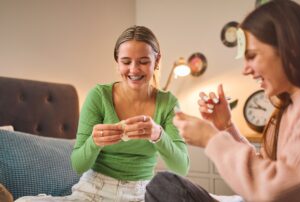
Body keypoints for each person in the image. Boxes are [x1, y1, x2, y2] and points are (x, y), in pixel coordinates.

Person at [145, 1, 300, 202]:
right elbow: (265, 170)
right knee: (163, 185)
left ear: (290, 47)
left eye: (252, 56)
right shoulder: (289, 107)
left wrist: (211, 139)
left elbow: (276, 191)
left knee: (164, 188)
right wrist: (226, 126)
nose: (246, 69)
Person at [16, 25, 189, 202]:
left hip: (141, 192)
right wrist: (94, 142)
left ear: (157, 60)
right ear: (117, 61)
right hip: (94, 189)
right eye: (126, 61)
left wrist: (158, 135)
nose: (134, 69)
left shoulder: (168, 103)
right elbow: (78, 165)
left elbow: (181, 167)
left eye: (143, 61)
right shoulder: (98, 96)